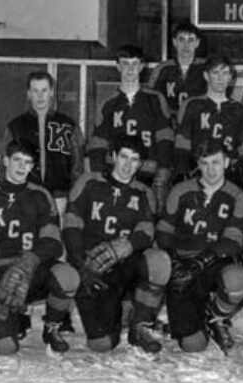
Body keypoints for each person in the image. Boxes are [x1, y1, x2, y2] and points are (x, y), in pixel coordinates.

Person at [0, 139, 79, 355]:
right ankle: (14, 316)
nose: (21, 167)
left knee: (68, 276)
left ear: (33, 166)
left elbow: (53, 242)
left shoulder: (41, 195)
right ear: (6, 161)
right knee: (5, 348)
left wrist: (29, 261)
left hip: (30, 269)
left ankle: (51, 327)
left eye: (27, 162)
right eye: (16, 160)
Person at [63, 135, 171, 354]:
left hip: (125, 265)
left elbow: (147, 231)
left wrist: (124, 246)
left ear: (140, 164)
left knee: (159, 261)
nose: (127, 165)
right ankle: (120, 310)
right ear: (113, 156)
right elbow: (70, 224)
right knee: (101, 344)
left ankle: (139, 325)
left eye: (134, 159)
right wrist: (79, 263)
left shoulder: (143, 192)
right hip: (93, 268)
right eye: (123, 157)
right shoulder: (88, 182)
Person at [156, 141, 243, 353]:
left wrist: (201, 261)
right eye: (205, 163)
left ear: (226, 162)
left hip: (215, 259)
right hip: (183, 261)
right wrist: (172, 260)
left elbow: (234, 240)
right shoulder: (180, 190)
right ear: (198, 164)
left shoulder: (237, 195)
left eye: (216, 162)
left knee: (237, 279)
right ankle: (195, 319)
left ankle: (216, 315)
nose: (210, 170)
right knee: (193, 345)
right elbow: (164, 230)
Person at [87, 44, 174, 211]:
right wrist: (99, 175)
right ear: (118, 66)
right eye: (125, 63)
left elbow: (166, 137)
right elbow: (98, 142)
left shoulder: (155, 99)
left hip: (148, 173)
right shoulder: (108, 103)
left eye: (134, 64)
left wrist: (163, 169)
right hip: (116, 173)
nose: (130, 69)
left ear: (142, 67)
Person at [0, 70, 84, 216]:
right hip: (25, 195)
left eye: (44, 90)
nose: (40, 96)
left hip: (60, 198)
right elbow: (4, 165)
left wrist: (75, 199)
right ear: (28, 94)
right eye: (35, 91)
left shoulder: (69, 126)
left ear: (51, 92)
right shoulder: (15, 127)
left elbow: (77, 167)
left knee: (56, 237)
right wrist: (6, 195)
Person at [175, 54, 243, 187]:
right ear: (206, 76)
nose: (220, 78)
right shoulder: (192, 105)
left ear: (230, 77)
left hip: (230, 174)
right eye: (216, 73)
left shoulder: (240, 109)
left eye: (225, 73)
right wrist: (181, 171)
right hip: (198, 172)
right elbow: (182, 142)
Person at [148, 22, 207, 120]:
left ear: (197, 43)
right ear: (175, 42)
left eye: (191, 40)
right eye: (181, 39)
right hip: (169, 121)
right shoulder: (162, 68)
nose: (186, 45)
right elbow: (151, 98)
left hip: (199, 121)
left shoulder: (206, 67)